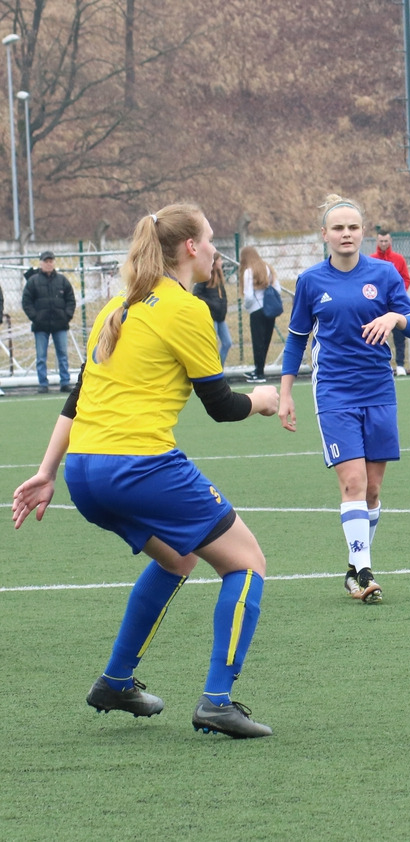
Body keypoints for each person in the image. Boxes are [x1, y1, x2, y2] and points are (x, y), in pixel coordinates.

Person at [10, 204, 281, 738]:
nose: (215, 250)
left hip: (84, 472)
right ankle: (217, 702)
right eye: (209, 239)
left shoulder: (119, 305)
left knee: (178, 558)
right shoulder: (185, 309)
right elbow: (221, 405)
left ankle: (116, 681)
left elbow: (76, 400)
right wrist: (263, 401)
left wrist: (47, 472)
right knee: (247, 563)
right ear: (191, 248)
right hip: (138, 466)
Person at [278, 195, 410, 604]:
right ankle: (364, 572)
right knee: (353, 482)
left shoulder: (385, 273)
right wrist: (286, 393)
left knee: (372, 490)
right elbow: (296, 340)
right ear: (324, 234)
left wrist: (395, 317)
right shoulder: (311, 281)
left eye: (353, 227)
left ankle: (353, 568)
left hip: (378, 389)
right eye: (338, 228)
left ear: (363, 232)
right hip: (334, 392)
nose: (346, 234)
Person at [22, 250, 77, 393]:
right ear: (40, 263)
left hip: (60, 324)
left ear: (54, 262)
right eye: (46, 261)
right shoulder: (33, 281)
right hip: (40, 326)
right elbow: (26, 302)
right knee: (41, 357)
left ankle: (65, 382)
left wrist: (66, 316)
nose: (48, 264)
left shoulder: (62, 281)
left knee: (63, 355)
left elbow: (70, 299)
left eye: (50, 261)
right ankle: (43, 384)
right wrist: (36, 317)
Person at [372, 230, 410, 376]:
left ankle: (400, 364)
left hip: (395, 305)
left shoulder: (398, 259)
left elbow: (406, 279)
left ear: (390, 242)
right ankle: (379, 364)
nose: (383, 244)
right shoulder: (372, 260)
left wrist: (397, 295)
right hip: (377, 305)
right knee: (377, 334)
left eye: (386, 241)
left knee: (399, 335)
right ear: (377, 242)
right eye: (381, 241)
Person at [240, 245, 281, 384]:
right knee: (265, 341)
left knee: (257, 342)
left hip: (256, 310)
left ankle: (259, 373)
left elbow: (249, 296)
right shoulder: (267, 268)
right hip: (270, 309)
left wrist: (246, 306)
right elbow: (277, 289)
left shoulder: (248, 272)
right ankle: (259, 370)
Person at [193, 251, 233, 364]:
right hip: (212, 316)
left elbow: (222, 296)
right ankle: (213, 368)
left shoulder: (219, 276)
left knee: (227, 342)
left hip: (220, 317)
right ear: (214, 262)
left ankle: (220, 366)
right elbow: (196, 294)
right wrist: (213, 305)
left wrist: (223, 308)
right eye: (219, 260)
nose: (221, 262)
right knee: (212, 344)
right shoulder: (205, 277)